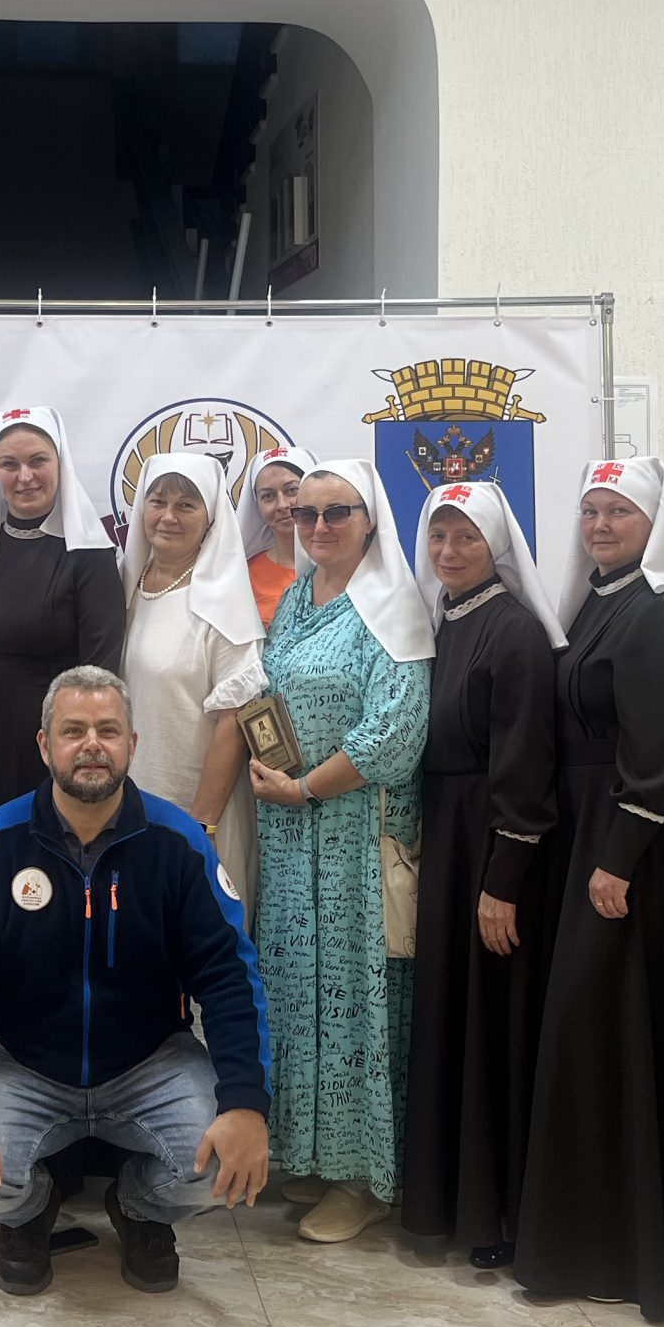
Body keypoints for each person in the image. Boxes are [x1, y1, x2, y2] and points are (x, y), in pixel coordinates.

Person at [0, 667, 273, 1296]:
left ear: (132, 745)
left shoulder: (178, 843)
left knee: (222, 1162)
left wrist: (246, 1101)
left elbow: (228, 978)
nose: (92, 745)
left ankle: (138, 1208)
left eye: (108, 731)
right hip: (23, 1065)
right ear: (44, 745)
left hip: (150, 1064)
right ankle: (30, 1212)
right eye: (73, 730)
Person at [514, 457, 664, 1320]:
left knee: (621, 1028)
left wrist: (617, 856)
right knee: (601, 1037)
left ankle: (645, 1250)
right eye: (590, 511)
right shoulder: (598, 601)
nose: (599, 526)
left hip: (649, 847)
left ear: (655, 524)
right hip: (599, 832)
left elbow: (662, 754)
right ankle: (602, 1241)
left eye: (618, 512)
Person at [249, 457, 433, 1244]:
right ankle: (317, 1155)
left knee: (357, 998)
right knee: (299, 992)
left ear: (370, 521)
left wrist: (306, 788)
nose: (318, 527)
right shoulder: (297, 597)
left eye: (337, 512)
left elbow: (396, 732)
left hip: (355, 835)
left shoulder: (393, 604)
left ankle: (365, 1178)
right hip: (293, 836)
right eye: (306, 513)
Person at [400, 480, 561, 1271]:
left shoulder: (514, 631)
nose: (449, 551)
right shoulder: (444, 619)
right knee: (453, 1016)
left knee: (493, 1023)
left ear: (496, 545)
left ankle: (499, 1212)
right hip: (450, 839)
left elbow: (524, 767)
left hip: (492, 848)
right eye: (439, 537)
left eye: (466, 538)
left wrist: (503, 879)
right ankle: (451, 1202)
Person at [0, 407, 127, 813]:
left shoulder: (90, 555)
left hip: (55, 746)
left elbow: (100, 672)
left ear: (59, 464)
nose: (25, 476)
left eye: (37, 461)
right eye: (9, 464)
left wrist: (72, 745)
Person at [119, 455, 267, 907]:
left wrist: (200, 825)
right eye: (157, 501)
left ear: (211, 518)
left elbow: (234, 718)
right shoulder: (125, 585)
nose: (168, 516)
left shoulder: (222, 600)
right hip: (126, 803)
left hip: (199, 811)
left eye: (186, 505)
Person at [237, 445, 314, 631]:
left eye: (291, 490)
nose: (282, 505)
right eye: (268, 496)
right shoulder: (243, 575)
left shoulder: (341, 566)